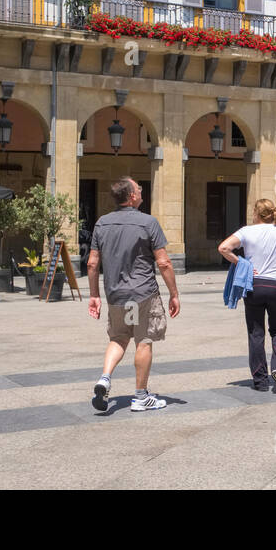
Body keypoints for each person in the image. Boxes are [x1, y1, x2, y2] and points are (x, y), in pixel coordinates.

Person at [86, 176, 179, 412]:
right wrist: (174, 293)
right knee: (143, 340)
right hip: (142, 293)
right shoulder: (148, 223)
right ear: (132, 196)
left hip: (116, 294)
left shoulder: (102, 223)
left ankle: (105, 378)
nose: (141, 190)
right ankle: (140, 396)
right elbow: (164, 263)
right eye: (138, 188)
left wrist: (94, 295)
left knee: (118, 338)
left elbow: (92, 263)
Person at [218, 198, 276, 392]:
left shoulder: (246, 231)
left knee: (255, 332)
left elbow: (224, 248)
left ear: (255, 213)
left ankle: (260, 380)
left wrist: (241, 264)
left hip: (254, 285)